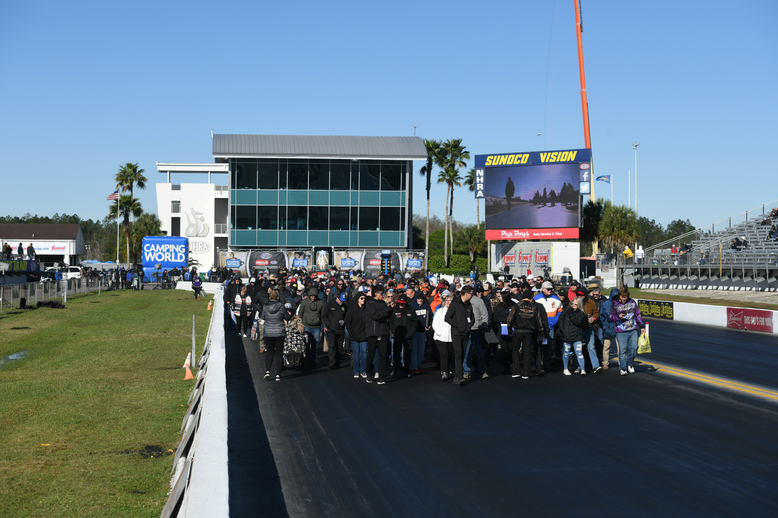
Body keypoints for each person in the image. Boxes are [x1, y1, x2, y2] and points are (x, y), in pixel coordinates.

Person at [609, 287, 647, 376]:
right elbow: (611, 317)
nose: (624, 299)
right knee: (622, 350)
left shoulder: (632, 302)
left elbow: (637, 314)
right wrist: (618, 317)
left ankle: (630, 364)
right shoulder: (614, 305)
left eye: (625, 297)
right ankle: (622, 368)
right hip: (621, 331)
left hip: (633, 329)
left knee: (634, 348)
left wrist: (641, 325)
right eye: (622, 297)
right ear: (619, 296)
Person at [507, 289, 541, 379]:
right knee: (527, 352)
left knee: (515, 351)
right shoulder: (534, 307)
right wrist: (541, 332)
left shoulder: (517, 305)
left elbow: (510, 318)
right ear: (531, 297)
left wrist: (509, 329)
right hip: (529, 331)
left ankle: (516, 371)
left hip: (518, 330)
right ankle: (526, 373)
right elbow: (539, 321)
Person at [445, 285, 474, 386]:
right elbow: (447, 318)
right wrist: (458, 325)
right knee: (458, 353)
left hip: (466, 333)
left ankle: (458, 374)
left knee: (463, 353)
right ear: (466, 293)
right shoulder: (455, 303)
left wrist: (469, 326)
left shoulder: (469, 305)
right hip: (456, 332)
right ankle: (458, 376)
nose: (472, 296)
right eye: (471, 293)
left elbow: (472, 317)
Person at [364, 285, 393, 385]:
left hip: (383, 332)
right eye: (381, 293)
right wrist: (388, 309)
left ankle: (381, 377)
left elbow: (386, 316)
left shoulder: (383, 304)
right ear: (375, 293)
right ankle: (368, 373)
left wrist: (390, 309)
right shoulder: (370, 303)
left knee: (383, 355)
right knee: (371, 355)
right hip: (373, 332)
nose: (382, 295)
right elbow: (376, 316)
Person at [261, 290, 291, 381]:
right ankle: (278, 374)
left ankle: (267, 371)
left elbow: (263, 317)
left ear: (269, 298)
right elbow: (287, 317)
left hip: (268, 332)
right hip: (279, 332)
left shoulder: (265, 307)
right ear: (278, 298)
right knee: (279, 353)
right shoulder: (281, 306)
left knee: (270, 352)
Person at [534, 281, 562, 371]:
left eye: (551, 289)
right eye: (548, 289)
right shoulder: (536, 298)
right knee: (540, 346)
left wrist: (555, 321)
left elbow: (560, 311)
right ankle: (539, 363)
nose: (550, 290)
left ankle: (547, 362)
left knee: (549, 346)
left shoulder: (556, 298)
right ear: (543, 289)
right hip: (540, 327)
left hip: (551, 327)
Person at [558, 296, 587, 376]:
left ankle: (583, 369)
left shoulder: (581, 313)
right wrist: (562, 329)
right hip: (566, 335)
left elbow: (577, 322)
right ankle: (565, 368)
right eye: (572, 303)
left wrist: (571, 313)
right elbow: (560, 319)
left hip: (577, 336)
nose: (573, 305)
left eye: (575, 304)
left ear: (579, 305)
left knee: (579, 352)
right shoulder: (566, 310)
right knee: (566, 352)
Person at [389, 294, 416, 378]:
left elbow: (415, 322)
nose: (401, 304)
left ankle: (407, 370)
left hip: (408, 335)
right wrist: (393, 330)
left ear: (406, 302)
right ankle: (395, 369)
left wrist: (411, 332)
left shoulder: (411, 310)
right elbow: (390, 321)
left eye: (402, 303)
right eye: (399, 303)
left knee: (407, 354)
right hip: (398, 335)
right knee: (396, 353)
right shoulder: (394, 310)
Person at [298, 287, 325, 367]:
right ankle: (306, 359)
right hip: (306, 326)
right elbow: (300, 313)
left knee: (315, 344)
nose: (313, 298)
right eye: (311, 296)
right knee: (306, 343)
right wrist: (299, 324)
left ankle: (312, 359)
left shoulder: (320, 303)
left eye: (314, 296)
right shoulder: (305, 302)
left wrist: (324, 325)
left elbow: (323, 315)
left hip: (316, 326)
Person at [345, 292, 368, 378]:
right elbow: (347, 322)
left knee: (364, 353)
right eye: (361, 298)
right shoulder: (352, 310)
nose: (363, 300)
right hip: (354, 336)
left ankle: (363, 370)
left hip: (364, 335)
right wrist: (351, 332)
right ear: (358, 299)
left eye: (364, 298)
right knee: (356, 353)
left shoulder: (366, 309)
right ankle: (356, 371)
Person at [323, 292, 348, 370]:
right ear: (337, 297)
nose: (341, 302)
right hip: (331, 330)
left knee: (339, 348)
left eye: (343, 301)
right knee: (332, 346)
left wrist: (344, 321)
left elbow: (347, 316)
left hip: (340, 330)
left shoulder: (345, 307)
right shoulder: (329, 305)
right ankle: (332, 363)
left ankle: (337, 363)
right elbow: (324, 316)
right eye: (340, 300)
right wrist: (328, 325)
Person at [432, 294, 454, 380]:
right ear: (444, 302)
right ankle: (444, 371)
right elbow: (435, 323)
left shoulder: (454, 311)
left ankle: (448, 369)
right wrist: (439, 332)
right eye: (447, 301)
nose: (448, 302)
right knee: (444, 354)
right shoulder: (440, 311)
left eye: (450, 301)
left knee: (450, 354)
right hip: (440, 338)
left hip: (451, 338)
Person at [409, 291, 432, 375]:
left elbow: (430, 316)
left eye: (422, 298)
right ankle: (414, 366)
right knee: (414, 349)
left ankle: (418, 364)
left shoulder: (426, 306)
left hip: (423, 331)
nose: (420, 299)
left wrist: (429, 325)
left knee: (421, 350)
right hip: (415, 332)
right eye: (418, 298)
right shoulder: (411, 306)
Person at [598, 288, 619, 369]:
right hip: (608, 327)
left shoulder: (620, 303)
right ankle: (605, 363)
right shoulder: (605, 303)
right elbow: (601, 315)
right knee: (606, 346)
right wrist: (604, 326)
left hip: (618, 328)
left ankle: (622, 362)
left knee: (621, 347)